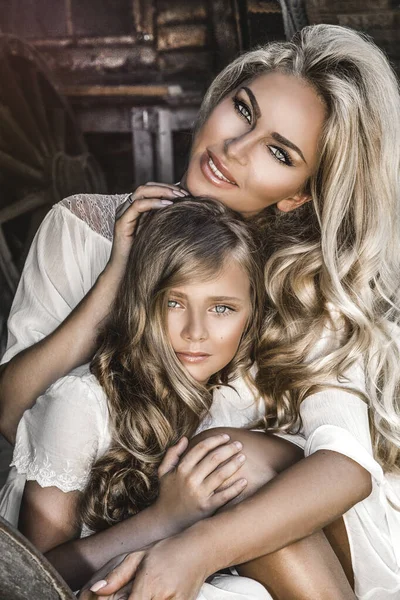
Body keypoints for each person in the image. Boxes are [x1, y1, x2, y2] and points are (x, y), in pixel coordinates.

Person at [1, 23, 400, 599]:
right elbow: (12, 415)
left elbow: (343, 467)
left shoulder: (303, 283)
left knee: (239, 470)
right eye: (243, 110)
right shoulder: (83, 229)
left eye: (278, 152)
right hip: (111, 518)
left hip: (279, 529)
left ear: (298, 195)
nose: (233, 149)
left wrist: (190, 551)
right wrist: (120, 277)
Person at [1, 198, 272, 599]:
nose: (195, 331)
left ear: (250, 315)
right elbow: (37, 579)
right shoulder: (80, 405)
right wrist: (166, 518)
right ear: (143, 303)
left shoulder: (235, 397)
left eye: (221, 308)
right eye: (175, 302)